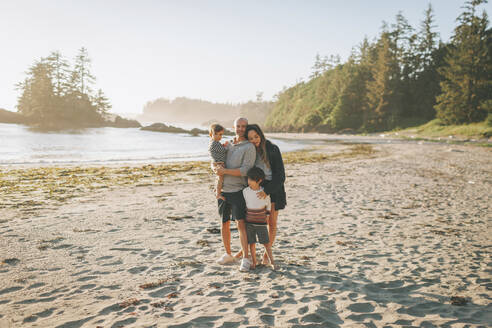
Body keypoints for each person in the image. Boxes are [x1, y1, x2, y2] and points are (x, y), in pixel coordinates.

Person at [214, 118, 256, 271]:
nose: (240, 129)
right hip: (223, 190)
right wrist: (215, 168)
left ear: (246, 128)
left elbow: (245, 170)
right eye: (238, 126)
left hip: (238, 190)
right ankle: (228, 253)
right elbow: (216, 160)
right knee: (224, 223)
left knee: (241, 224)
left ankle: (246, 257)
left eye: (243, 126)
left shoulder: (249, 147)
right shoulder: (228, 144)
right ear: (233, 127)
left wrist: (224, 171)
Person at [245, 124, 286, 266]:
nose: (254, 140)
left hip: (273, 189)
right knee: (255, 223)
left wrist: (267, 191)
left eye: (256, 137)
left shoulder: (273, 149)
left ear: (261, 135)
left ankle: (266, 256)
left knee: (271, 223)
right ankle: (248, 254)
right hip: (257, 190)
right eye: (250, 138)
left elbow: (281, 176)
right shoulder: (249, 151)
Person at [243, 167, 275, 271]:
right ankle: (254, 262)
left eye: (251, 180)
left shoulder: (263, 193)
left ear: (259, 180)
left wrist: (267, 215)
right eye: (248, 179)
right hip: (249, 223)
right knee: (251, 243)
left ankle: (272, 262)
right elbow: (244, 205)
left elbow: (269, 205)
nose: (249, 181)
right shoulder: (245, 191)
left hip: (261, 223)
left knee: (266, 243)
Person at [208, 123, 228, 201]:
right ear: (211, 134)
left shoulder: (214, 143)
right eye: (216, 134)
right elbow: (223, 150)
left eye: (220, 134)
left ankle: (216, 189)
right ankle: (218, 194)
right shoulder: (214, 143)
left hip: (216, 163)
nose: (218, 136)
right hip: (219, 164)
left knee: (218, 178)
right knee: (220, 178)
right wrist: (226, 146)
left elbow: (219, 149)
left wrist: (222, 146)